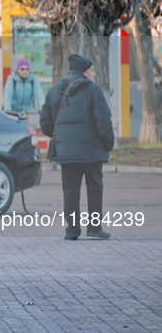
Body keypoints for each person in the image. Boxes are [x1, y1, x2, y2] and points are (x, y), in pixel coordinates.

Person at [40, 54, 115, 240]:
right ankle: (94, 229)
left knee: (71, 191)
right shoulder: (94, 91)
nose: (95, 74)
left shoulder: (54, 91)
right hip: (92, 151)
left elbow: (45, 123)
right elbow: (103, 122)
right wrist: (108, 144)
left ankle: (72, 231)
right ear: (84, 72)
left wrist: (63, 138)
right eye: (92, 71)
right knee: (94, 188)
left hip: (67, 153)